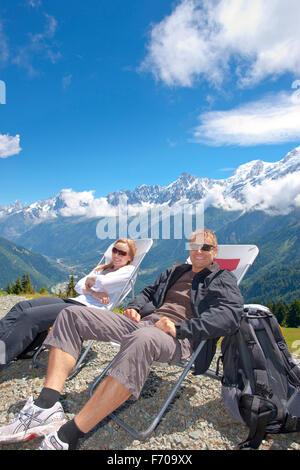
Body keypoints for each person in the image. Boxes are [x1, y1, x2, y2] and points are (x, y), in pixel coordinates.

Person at [0, 228, 244, 450]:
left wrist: (182, 327)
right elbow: (149, 292)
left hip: (178, 337)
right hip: (144, 323)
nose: (199, 251)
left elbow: (230, 315)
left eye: (206, 247)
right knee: (71, 314)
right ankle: (46, 406)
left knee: (143, 338)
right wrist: (135, 307)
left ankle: (67, 436)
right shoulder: (175, 270)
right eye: (194, 246)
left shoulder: (222, 278)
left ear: (215, 252)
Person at [0, 239, 136, 366]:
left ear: (129, 257)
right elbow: (79, 286)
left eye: (122, 253)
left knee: (30, 316)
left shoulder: (129, 271)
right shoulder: (102, 268)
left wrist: (92, 280)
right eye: (115, 250)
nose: (117, 255)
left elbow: (104, 281)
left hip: (88, 310)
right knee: (22, 306)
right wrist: (94, 292)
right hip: (75, 301)